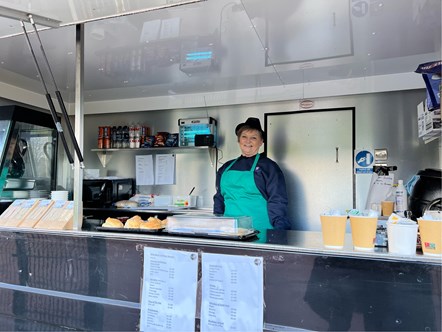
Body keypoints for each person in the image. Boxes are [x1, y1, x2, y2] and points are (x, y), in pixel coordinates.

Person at [213, 117, 291, 231]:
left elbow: (277, 201)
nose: (248, 141)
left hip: (259, 231)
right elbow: (219, 199)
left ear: (261, 142)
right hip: (229, 231)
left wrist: (279, 232)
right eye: (244, 137)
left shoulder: (269, 167)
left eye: (253, 138)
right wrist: (217, 224)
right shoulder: (225, 168)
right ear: (239, 140)